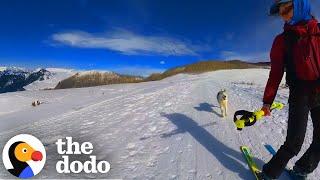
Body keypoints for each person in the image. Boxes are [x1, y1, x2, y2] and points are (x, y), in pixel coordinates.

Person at [260, 0, 320, 179]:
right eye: (280, 12)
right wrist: (267, 102)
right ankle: (269, 174)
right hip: (299, 93)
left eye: (287, 8)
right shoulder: (281, 41)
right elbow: (275, 73)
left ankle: (303, 168)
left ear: (301, 5)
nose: (283, 15)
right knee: (294, 142)